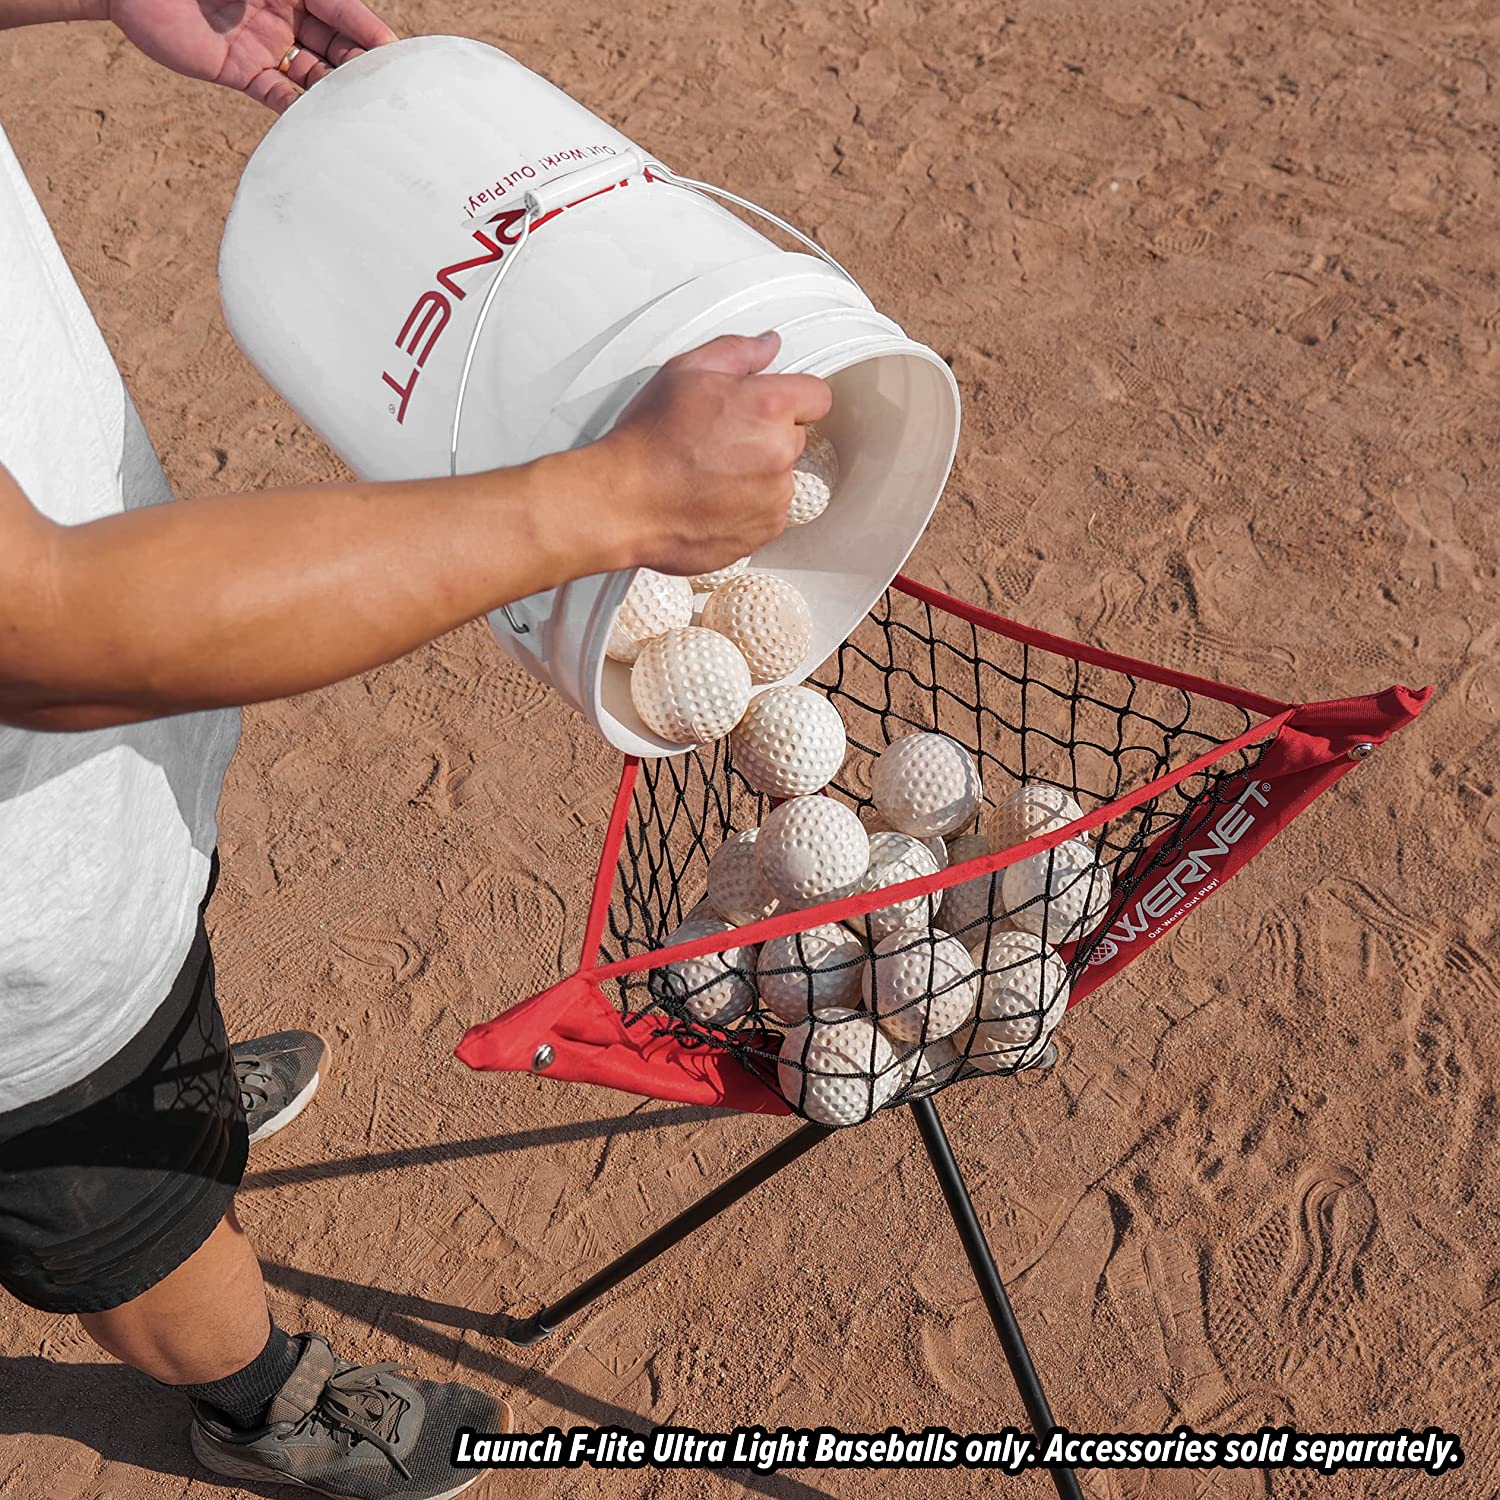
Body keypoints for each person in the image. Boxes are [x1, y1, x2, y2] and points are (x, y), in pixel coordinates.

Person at [0, 2, 832, 1495]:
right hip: (17, 940)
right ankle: (259, 1399)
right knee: (106, 1182)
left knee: (148, 932)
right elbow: (39, 635)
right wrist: (610, 500)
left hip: (81, 812)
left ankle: (156, 1077)